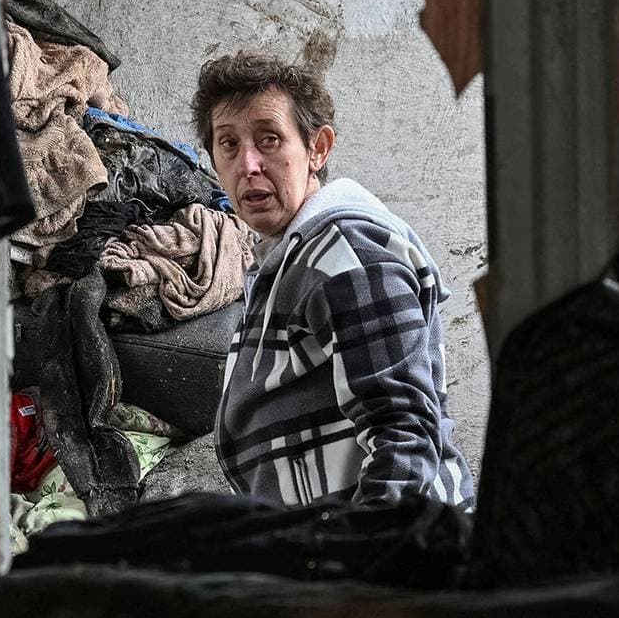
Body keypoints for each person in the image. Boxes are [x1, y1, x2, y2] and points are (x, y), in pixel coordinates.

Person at [192, 51, 475, 509]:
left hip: (395, 558)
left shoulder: (344, 252)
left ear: (317, 148)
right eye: (228, 144)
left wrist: (365, 557)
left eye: (268, 140)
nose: (248, 164)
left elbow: (403, 431)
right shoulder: (289, 256)